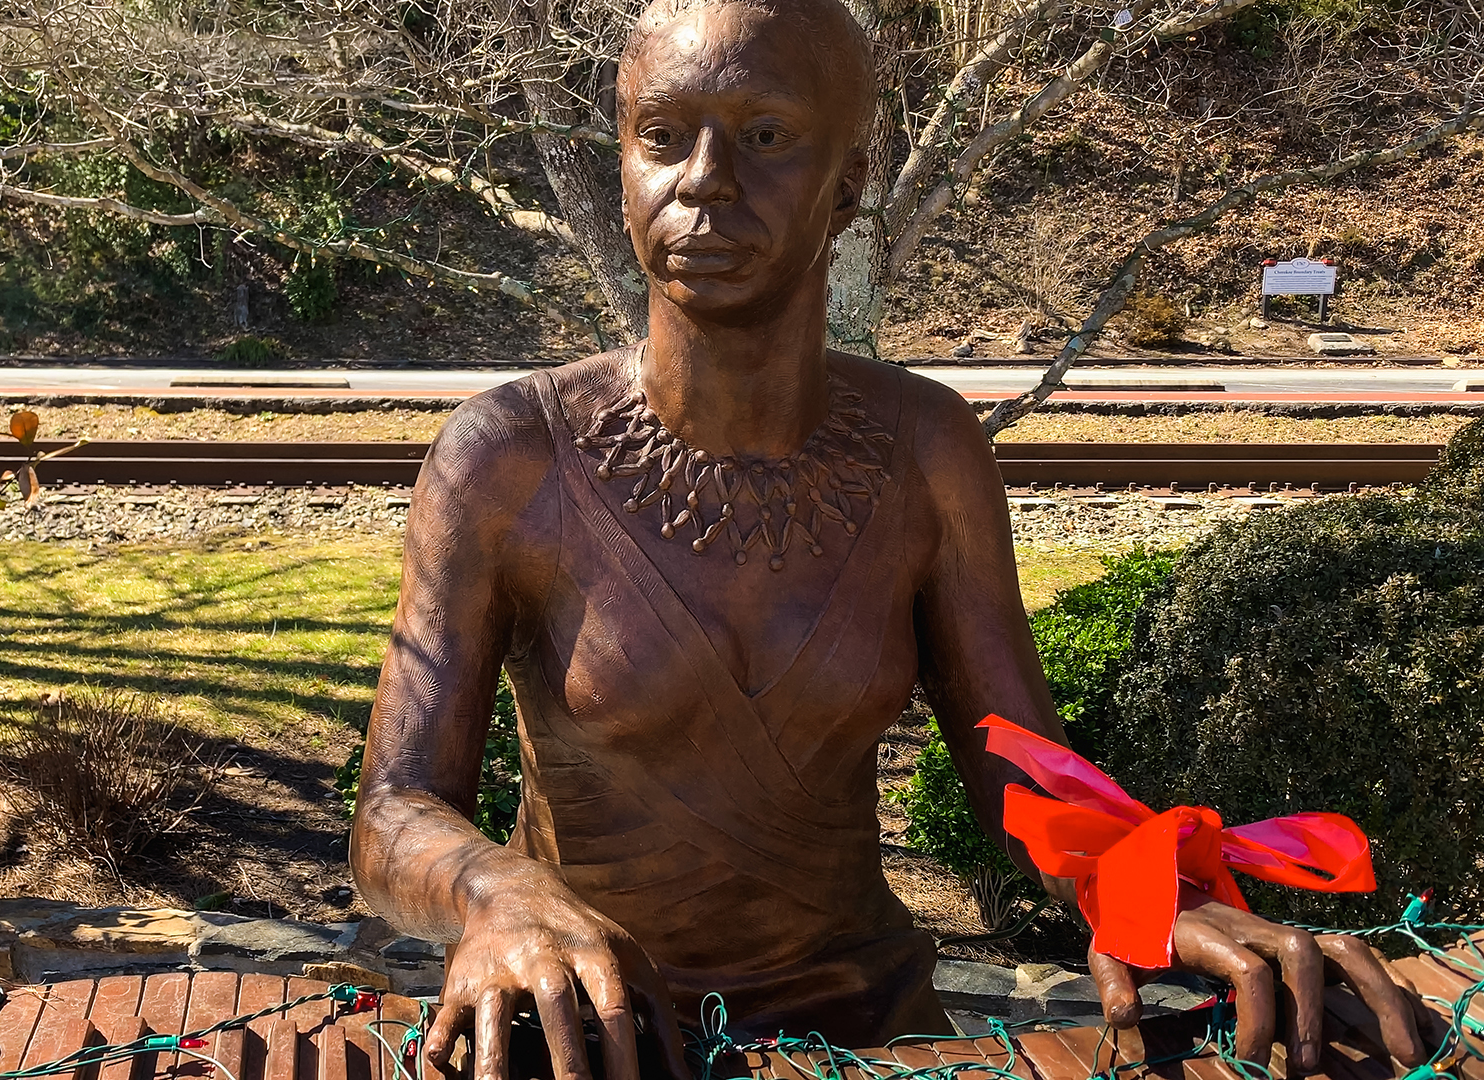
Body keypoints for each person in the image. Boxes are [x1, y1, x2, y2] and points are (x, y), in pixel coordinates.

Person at [348, 0, 1431, 1076]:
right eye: (663, 136)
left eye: (766, 136)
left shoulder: (926, 448)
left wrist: (1159, 894)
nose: (706, 180)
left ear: (850, 184)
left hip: (867, 1035)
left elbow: (1023, 775)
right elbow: (392, 811)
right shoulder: (506, 456)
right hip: (600, 1038)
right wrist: (501, 894)